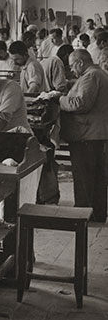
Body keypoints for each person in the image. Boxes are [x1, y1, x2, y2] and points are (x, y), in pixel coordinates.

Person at [53, 49, 108, 221]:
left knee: (84, 177)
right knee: (96, 177)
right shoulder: (99, 74)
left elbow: (80, 103)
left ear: (80, 62)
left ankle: (83, 215)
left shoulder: (91, 76)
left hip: (86, 135)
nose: (72, 71)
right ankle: (97, 213)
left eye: (72, 66)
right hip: (94, 134)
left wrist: (59, 99)